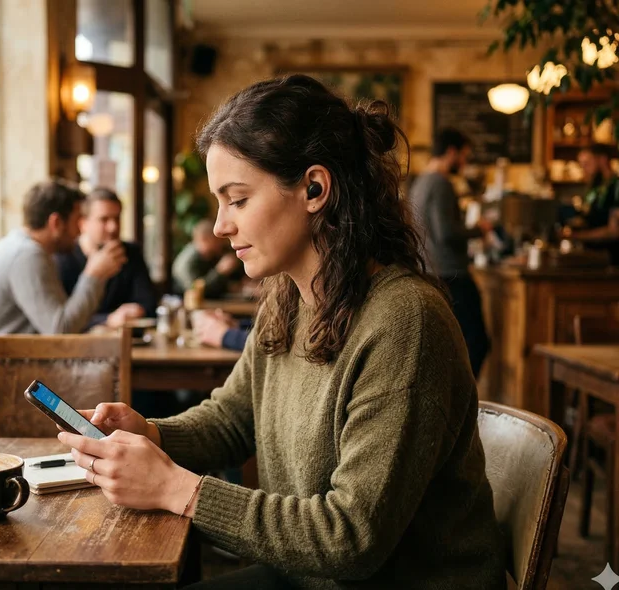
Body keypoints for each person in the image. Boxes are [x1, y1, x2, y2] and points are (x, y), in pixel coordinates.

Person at [57, 76, 506, 589]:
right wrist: (151, 433)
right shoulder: (291, 298)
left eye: (238, 199)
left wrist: (175, 488)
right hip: (309, 576)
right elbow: (231, 419)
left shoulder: (406, 321)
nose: (221, 225)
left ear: (315, 189)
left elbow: (350, 538)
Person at [0, 179, 126, 389]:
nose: (80, 232)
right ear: (56, 223)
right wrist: (95, 275)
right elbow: (60, 331)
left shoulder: (24, 248)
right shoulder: (26, 255)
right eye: (77, 221)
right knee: (106, 388)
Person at [409, 128, 491, 378]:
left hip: (429, 271)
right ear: (451, 152)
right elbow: (446, 233)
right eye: (464, 156)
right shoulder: (441, 183)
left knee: (448, 345)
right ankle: (464, 402)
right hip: (451, 274)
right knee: (477, 342)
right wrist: (478, 229)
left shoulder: (420, 182)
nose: (464, 162)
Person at [55, 187, 157, 328]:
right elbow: (61, 319)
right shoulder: (63, 257)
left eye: (117, 218)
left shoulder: (131, 253)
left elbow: (150, 305)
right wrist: (107, 319)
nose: (113, 227)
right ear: (83, 223)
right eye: (104, 219)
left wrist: (137, 310)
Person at [566, 143, 619, 264]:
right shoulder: (595, 188)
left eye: (587, 163)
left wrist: (577, 236)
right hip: (593, 255)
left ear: (602, 159)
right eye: (582, 165)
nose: (584, 169)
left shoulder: (616, 186)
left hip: (611, 259)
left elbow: (614, 231)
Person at [172, 219, 240, 297]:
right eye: (217, 240)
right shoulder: (188, 262)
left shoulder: (213, 254)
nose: (221, 244)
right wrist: (220, 272)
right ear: (205, 239)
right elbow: (195, 291)